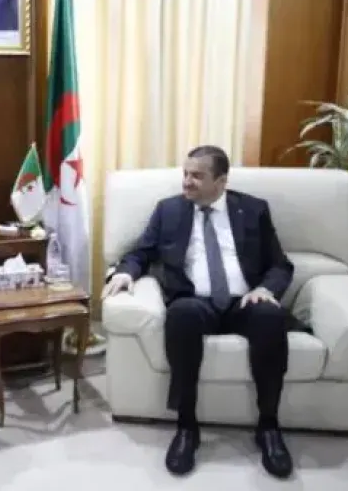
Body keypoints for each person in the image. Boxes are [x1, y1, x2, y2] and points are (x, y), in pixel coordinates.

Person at [102, 146, 295, 479]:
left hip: (243, 301)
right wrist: (125, 272)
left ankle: (268, 427)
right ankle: (186, 427)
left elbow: (280, 264)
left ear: (221, 181)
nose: (187, 182)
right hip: (195, 300)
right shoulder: (169, 210)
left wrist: (265, 290)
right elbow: (141, 252)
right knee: (182, 314)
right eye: (185, 174)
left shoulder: (253, 209)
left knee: (270, 317)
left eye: (197, 176)